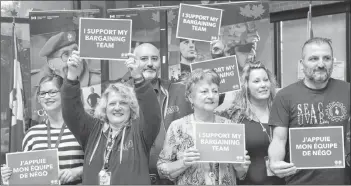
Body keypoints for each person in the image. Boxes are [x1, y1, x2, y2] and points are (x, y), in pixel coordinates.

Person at [61, 50, 161, 184]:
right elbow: (71, 111)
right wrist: (72, 75)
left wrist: (138, 77)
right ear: (104, 107)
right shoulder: (92, 130)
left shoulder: (140, 131)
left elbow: (152, 112)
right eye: (112, 103)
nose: (117, 107)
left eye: (123, 103)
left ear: (131, 107)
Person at [268, 37, 350, 185]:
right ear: (302, 64)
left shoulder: (347, 90)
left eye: (327, 58)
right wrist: (275, 161)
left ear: (333, 61)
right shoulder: (285, 96)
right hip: (299, 181)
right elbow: (279, 140)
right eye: (313, 58)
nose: (321, 64)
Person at [157, 69, 251, 185]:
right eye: (204, 91)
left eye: (215, 91)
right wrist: (183, 163)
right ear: (191, 97)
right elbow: (162, 170)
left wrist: (240, 166)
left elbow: (241, 175)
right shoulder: (177, 128)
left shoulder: (230, 127)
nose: (211, 96)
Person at [1, 74, 84, 185]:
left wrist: (77, 172)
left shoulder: (81, 129)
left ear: (64, 94)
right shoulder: (32, 135)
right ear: (39, 99)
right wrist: (11, 176)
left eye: (52, 92)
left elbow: (98, 165)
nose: (47, 97)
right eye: (43, 93)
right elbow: (26, 176)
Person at [219, 62, 285, 185]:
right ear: (246, 86)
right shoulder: (236, 116)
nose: (263, 85)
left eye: (266, 80)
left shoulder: (282, 112)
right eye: (256, 81)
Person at [31, 31, 101, 125]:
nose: (73, 59)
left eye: (76, 52)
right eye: (66, 55)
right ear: (52, 64)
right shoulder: (40, 89)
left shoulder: (97, 82)